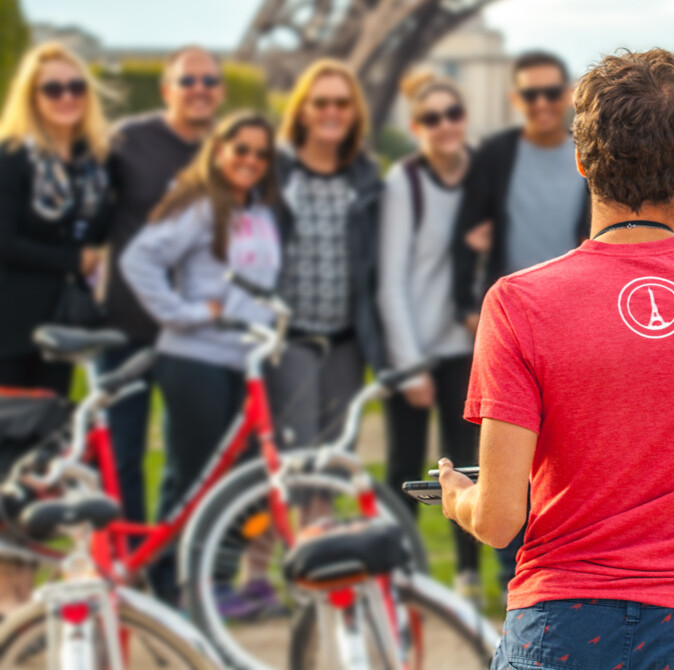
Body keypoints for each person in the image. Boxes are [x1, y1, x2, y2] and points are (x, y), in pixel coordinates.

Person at [438, 48, 674, 670]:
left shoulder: (519, 303)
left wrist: (456, 496)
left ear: (580, 161)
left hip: (561, 623)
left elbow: (498, 520)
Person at [120, 112, 281, 610]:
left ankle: (215, 583)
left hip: (243, 362)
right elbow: (137, 260)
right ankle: (171, 584)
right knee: (193, 477)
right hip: (195, 358)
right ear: (218, 150)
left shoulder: (259, 210)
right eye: (241, 149)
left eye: (260, 153)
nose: (250, 160)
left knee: (234, 481)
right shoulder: (196, 206)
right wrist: (184, 313)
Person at [451, 49, 589, 591]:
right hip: (515, 325)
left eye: (552, 93)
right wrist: (468, 308)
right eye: (530, 95)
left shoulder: (589, 152)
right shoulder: (496, 156)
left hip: (579, 320)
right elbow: (465, 234)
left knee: (565, 454)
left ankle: (561, 567)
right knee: (511, 453)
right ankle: (518, 574)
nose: (542, 104)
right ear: (516, 100)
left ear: (569, 97)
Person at [0, 41, 113, 616]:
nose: (66, 97)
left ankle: (27, 572)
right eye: (53, 88)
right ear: (33, 95)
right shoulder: (13, 158)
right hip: (10, 326)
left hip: (59, 329)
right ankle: (7, 586)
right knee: (4, 457)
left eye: (76, 87)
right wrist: (73, 261)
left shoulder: (93, 164)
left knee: (43, 458)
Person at [102, 45, 225, 526]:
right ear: (165, 88)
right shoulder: (126, 142)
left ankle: (171, 568)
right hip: (128, 323)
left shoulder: (229, 149)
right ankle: (129, 562)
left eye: (209, 81)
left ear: (221, 90)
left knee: (190, 463)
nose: (199, 90)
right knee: (120, 456)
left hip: (196, 337)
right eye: (188, 80)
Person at [377, 70, 480, 603]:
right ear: (417, 127)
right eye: (432, 118)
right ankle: (400, 572)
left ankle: (465, 575)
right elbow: (390, 278)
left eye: (453, 114)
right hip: (415, 346)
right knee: (404, 464)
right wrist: (409, 363)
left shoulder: (484, 176)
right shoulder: (405, 183)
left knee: (465, 464)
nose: (445, 126)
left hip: (467, 346)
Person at [271, 60, 384, 455]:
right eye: (320, 103)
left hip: (346, 341)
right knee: (297, 456)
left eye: (341, 102)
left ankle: (320, 520)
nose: (331, 112)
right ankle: (298, 521)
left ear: (354, 112)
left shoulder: (366, 178)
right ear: (302, 109)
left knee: (335, 457)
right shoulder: (276, 173)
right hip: (290, 339)